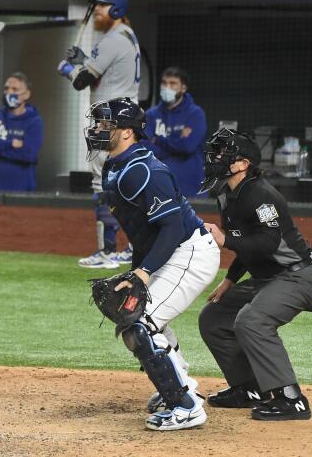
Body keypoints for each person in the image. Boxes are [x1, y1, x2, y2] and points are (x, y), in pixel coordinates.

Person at [84, 97, 220, 431]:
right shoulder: (114, 167)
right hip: (168, 250)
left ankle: (186, 407)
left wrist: (144, 273)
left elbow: (172, 226)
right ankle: (181, 384)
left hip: (189, 251)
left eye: (106, 125)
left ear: (127, 132)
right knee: (136, 315)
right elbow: (141, 230)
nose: (98, 130)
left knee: (140, 323)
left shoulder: (145, 171)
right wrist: (137, 271)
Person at [198, 128, 312, 421]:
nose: (214, 158)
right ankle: (249, 388)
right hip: (268, 280)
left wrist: (225, 240)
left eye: (222, 153)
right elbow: (246, 243)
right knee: (213, 317)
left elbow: (267, 243)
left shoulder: (262, 196)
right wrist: (229, 280)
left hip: (296, 277)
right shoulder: (227, 194)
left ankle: (292, 399)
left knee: (252, 321)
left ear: (242, 163)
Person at [57, 0, 140, 269]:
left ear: (116, 9)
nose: (97, 11)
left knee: (102, 184)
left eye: (102, 6)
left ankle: (106, 253)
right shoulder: (127, 35)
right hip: (126, 117)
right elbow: (104, 71)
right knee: (126, 183)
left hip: (108, 118)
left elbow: (82, 81)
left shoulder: (111, 40)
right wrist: (82, 60)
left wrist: (68, 68)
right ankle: (133, 247)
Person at [0, 72, 43, 192]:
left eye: (15, 89)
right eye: (6, 88)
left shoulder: (34, 121)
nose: (9, 92)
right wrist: (10, 144)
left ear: (26, 95)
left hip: (22, 193)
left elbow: (28, 154)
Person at [144, 67, 207, 198]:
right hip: (159, 186)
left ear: (183, 88)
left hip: (191, 187)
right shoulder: (150, 115)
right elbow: (146, 149)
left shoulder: (195, 114)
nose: (167, 87)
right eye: (164, 83)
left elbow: (188, 147)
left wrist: (159, 140)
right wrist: (178, 141)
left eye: (172, 83)